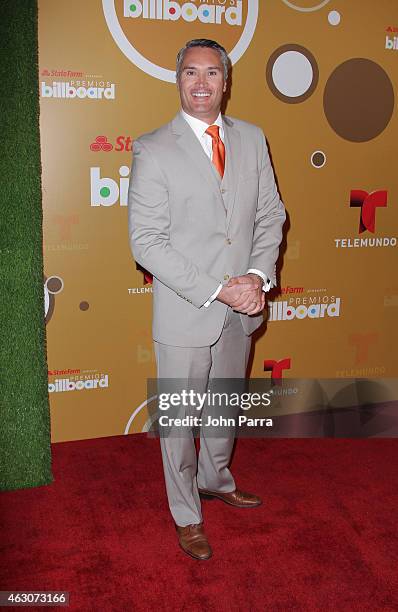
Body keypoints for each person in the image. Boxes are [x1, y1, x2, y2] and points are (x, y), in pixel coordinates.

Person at [128, 39, 285, 560]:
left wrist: (258, 276)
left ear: (226, 80)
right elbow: (146, 242)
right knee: (179, 421)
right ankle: (186, 513)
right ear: (178, 80)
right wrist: (221, 287)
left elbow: (270, 215)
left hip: (242, 309)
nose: (201, 83)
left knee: (223, 407)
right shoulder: (153, 147)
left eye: (212, 73)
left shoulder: (254, 138)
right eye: (191, 72)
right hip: (186, 310)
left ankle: (217, 479)